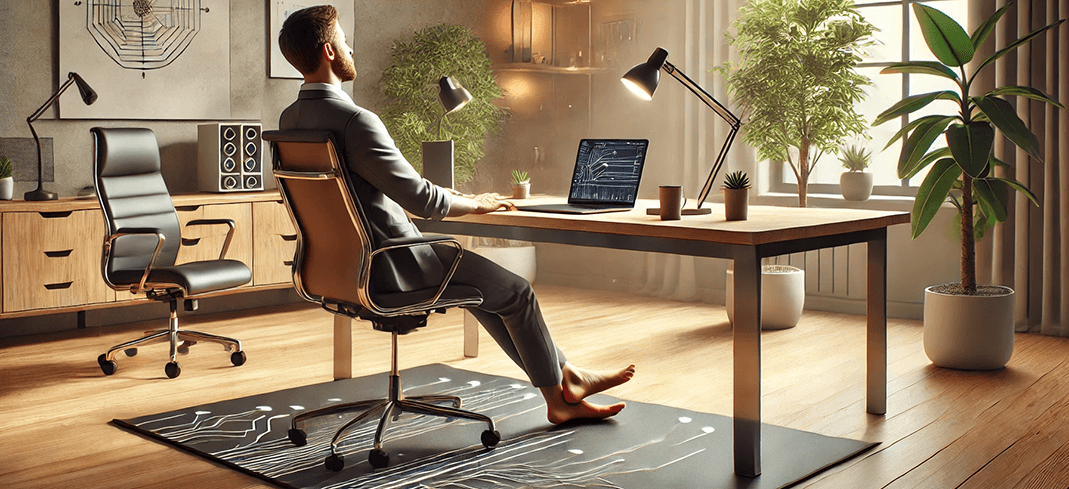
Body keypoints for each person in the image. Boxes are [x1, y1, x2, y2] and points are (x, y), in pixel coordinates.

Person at [277, 5, 634, 424]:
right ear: (329, 51)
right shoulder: (355, 120)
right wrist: (475, 202)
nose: (351, 46)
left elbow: (369, 191)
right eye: (343, 39)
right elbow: (423, 203)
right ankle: (559, 396)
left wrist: (446, 193)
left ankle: (566, 379)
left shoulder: (290, 120)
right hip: (395, 265)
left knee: (488, 292)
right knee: (517, 293)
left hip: (336, 270)